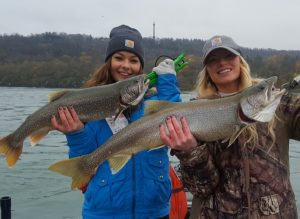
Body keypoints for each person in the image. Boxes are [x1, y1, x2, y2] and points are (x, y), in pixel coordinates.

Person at [159, 35, 298, 218]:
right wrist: (190, 152)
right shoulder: (193, 112)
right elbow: (200, 188)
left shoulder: (280, 102)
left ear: (240, 60)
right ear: (207, 69)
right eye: (213, 60)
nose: (222, 63)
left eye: (228, 56)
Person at [51, 24, 181, 219]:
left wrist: (169, 83)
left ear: (141, 67)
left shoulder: (154, 102)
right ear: (108, 62)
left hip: (154, 211)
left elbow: (175, 122)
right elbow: (83, 166)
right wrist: (76, 135)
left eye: (133, 60)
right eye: (119, 58)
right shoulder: (90, 103)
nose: (126, 65)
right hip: (104, 212)